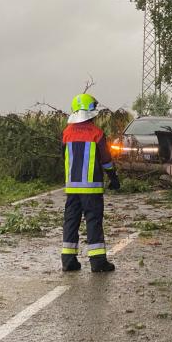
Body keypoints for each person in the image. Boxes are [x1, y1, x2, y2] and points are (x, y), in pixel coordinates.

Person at [61, 93, 120, 273]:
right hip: (91, 188)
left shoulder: (66, 133)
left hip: (72, 187)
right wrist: (113, 178)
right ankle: (98, 262)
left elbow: (63, 157)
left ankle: (68, 260)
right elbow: (106, 160)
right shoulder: (96, 133)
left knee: (71, 221)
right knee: (93, 221)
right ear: (89, 111)